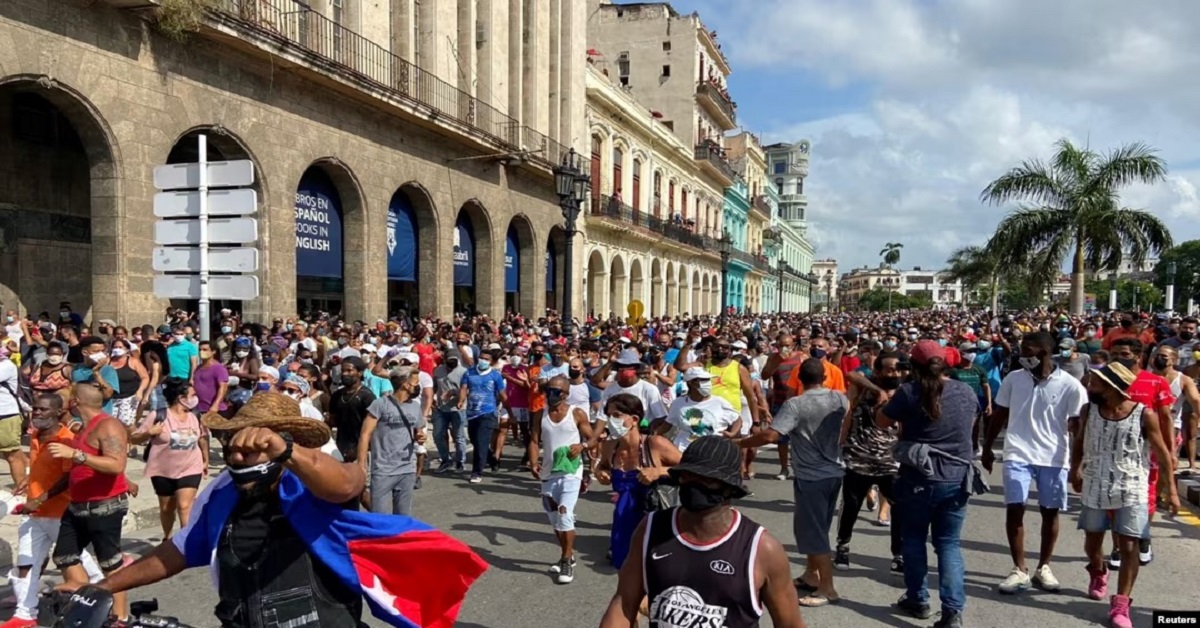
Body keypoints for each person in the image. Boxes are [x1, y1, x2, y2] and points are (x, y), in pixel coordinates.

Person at [60, 392, 488, 628]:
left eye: (253, 444)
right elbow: (175, 552)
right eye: (233, 444)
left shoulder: (311, 482)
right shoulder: (223, 491)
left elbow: (346, 482)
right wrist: (105, 586)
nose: (241, 453)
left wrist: (284, 452)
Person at [598, 436, 805, 628]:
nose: (694, 484)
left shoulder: (761, 548)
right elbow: (624, 602)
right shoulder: (651, 528)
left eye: (706, 478)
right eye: (688, 476)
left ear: (729, 488)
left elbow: (790, 624)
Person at [1069, 363, 1179, 628]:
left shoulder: (1144, 415)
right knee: (1092, 542)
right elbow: (1081, 441)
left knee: (1129, 545)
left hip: (1132, 486)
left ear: (1112, 387)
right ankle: (1098, 570)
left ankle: (1121, 603)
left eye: (1095, 383)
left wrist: (1172, 491)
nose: (1089, 387)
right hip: (1095, 484)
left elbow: (1163, 453)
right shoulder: (1088, 410)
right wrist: (1075, 469)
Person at [876, 340, 978, 627]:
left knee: (914, 540)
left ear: (914, 367)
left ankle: (918, 599)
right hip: (957, 477)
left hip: (918, 478)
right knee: (948, 544)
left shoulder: (909, 392)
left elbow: (881, 421)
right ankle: (953, 611)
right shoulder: (965, 391)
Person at [738, 358, 849, 607]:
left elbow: (772, 434)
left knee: (814, 532)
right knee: (817, 527)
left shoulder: (795, 404)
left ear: (799, 379)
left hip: (812, 476)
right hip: (834, 472)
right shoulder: (839, 399)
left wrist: (740, 443)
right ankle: (811, 575)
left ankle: (827, 588)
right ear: (825, 376)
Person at [982, 331, 1086, 594]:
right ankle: (1019, 569)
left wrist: (1079, 464)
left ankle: (1044, 567)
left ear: (1044, 352)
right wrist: (986, 447)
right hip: (1017, 453)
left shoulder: (1071, 384)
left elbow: (1079, 427)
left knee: (1049, 512)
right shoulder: (1013, 379)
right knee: (1015, 508)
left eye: (1027, 350)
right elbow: (1000, 414)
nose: (1022, 355)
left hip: (1054, 457)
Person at [3, 394, 104, 628]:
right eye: (35, 409)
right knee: (26, 563)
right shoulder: (36, 435)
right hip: (34, 517)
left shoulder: (67, 440)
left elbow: (70, 477)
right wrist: (30, 480)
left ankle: (103, 594)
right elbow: (44, 468)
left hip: (60, 514)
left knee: (78, 561)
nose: (36, 413)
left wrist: (39, 500)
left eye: (42, 410)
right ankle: (25, 614)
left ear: (58, 413)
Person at [50, 381, 132, 622]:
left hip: (104, 506)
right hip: (78, 505)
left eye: (66, 394)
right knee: (64, 556)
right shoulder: (82, 427)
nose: (61, 397)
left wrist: (76, 454)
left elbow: (116, 464)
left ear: (75, 401)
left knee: (110, 566)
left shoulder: (108, 425)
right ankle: (85, 607)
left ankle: (120, 618)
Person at [834, 351, 903, 573]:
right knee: (851, 506)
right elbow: (851, 374)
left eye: (898, 369)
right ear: (878, 371)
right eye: (890, 369)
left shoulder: (905, 392)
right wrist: (840, 445)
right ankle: (843, 547)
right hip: (858, 458)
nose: (895, 373)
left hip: (890, 462)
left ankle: (898, 554)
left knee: (900, 507)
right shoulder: (864, 388)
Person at [594, 393, 681, 569]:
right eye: (609, 415)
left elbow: (693, 469)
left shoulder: (655, 444)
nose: (611, 421)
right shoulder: (610, 447)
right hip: (623, 526)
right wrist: (600, 472)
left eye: (617, 415)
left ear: (634, 419)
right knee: (626, 578)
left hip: (655, 524)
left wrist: (659, 471)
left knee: (655, 576)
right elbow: (602, 466)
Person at [527, 375, 597, 584]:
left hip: (571, 472)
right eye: (548, 390)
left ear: (565, 394)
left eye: (556, 392)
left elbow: (592, 438)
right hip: (549, 473)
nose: (550, 394)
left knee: (564, 512)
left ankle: (566, 560)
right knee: (554, 519)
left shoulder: (576, 413)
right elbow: (533, 440)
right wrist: (532, 462)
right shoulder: (541, 414)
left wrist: (582, 446)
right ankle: (567, 554)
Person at [130, 377, 208, 539]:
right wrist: (148, 433)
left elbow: (202, 437)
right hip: (163, 470)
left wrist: (205, 459)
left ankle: (184, 542)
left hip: (191, 467)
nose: (195, 398)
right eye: (192, 395)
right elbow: (134, 438)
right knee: (167, 508)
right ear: (181, 398)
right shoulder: (158, 415)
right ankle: (167, 536)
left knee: (184, 505)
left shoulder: (195, 415)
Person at [357, 367, 426, 516]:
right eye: (416, 383)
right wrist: (362, 465)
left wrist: (421, 436)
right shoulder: (380, 404)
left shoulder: (415, 406)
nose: (418, 386)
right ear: (406, 385)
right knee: (379, 517)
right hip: (383, 470)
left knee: (402, 518)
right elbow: (365, 435)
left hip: (407, 469)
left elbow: (418, 431)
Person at [458, 348, 507, 484]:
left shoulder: (495, 375)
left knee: (480, 444)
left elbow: (502, 394)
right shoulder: (469, 372)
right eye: (481, 358)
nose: (483, 360)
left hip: (488, 412)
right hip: (472, 413)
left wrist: (509, 410)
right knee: (476, 441)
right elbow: (463, 388)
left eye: (486, 359)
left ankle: (476, 472)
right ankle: (492, 460)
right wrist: (461, 401)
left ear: (491, 362)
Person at [664, 367, 741, 451]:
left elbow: (737, 419)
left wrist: (732, 433)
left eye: (708, 379)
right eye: (703, 380)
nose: (707, 383)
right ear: (691, 383)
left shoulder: (720, 402)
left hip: (712, 451)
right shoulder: (678, 403)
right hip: (683, 451)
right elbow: (667, 424)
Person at [431, 355, 468, 474]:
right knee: (437, 435)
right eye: (449, 362)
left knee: (459, 436)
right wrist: (432, 397)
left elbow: (467, 389)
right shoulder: (438, 370)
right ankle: (446, 460)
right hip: (440, 408)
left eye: (454, 362)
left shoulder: (464, 372)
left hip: (457, 409)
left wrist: (453, 392)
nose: (452, 364)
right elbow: (434, 386)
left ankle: (460, 462)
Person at [0, 347, 28, 488]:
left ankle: (21, 488)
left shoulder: (6, 366)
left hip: (6, 414)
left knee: (11, 454)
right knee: (11, 451)